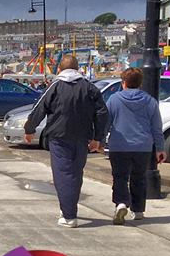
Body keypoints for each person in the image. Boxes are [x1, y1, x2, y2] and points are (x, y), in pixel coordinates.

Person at [24, 55, 108, 228]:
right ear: (77, 69)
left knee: (63, 174)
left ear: (60, 69)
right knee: (76, 174)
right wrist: (98, 138)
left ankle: (69, 214)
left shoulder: (55, 86)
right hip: (82, 136)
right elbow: (102, 112)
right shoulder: (89, 87)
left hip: (59, 136)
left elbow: (39, 108)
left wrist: (29, 129)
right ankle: (69, 207)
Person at [105, 68, 165, 224]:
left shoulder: (114, 99)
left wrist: (98, 140)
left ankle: (121, 203)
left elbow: (106, 122)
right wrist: (160, 148)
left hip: (119, 145)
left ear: (123, 83)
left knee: (120, 177)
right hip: (142, 146)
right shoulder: (150, 101)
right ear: (140, 83)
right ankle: (138, 210)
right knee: (139, 178)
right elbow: (156, 127)